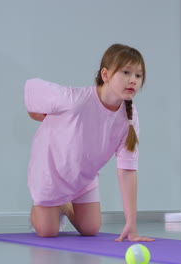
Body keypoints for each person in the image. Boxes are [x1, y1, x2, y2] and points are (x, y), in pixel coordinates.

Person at [24, 43, 154, 242]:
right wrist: (41, 115)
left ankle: (64, 204)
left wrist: (131, 223)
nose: (133, 80)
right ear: (106, 74)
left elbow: (127, 169)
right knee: (47, 232)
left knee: (90, 229)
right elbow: (32, 87)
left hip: (83, 175)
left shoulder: (129, 117)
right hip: (51, 171)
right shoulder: (75, 100)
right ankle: (48, 206)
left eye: (138, 75)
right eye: (126, 72)